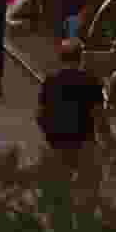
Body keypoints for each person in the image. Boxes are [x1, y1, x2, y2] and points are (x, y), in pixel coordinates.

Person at [35, 34, 107, 183]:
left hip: (57, 141)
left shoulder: (50, 82)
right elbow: (99, 116)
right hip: (83, 143)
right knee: (90, 183)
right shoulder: (91, 81)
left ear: (61, 58)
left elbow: (40, 115)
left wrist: (51, 134)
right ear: (80, 58)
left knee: (57, 186)